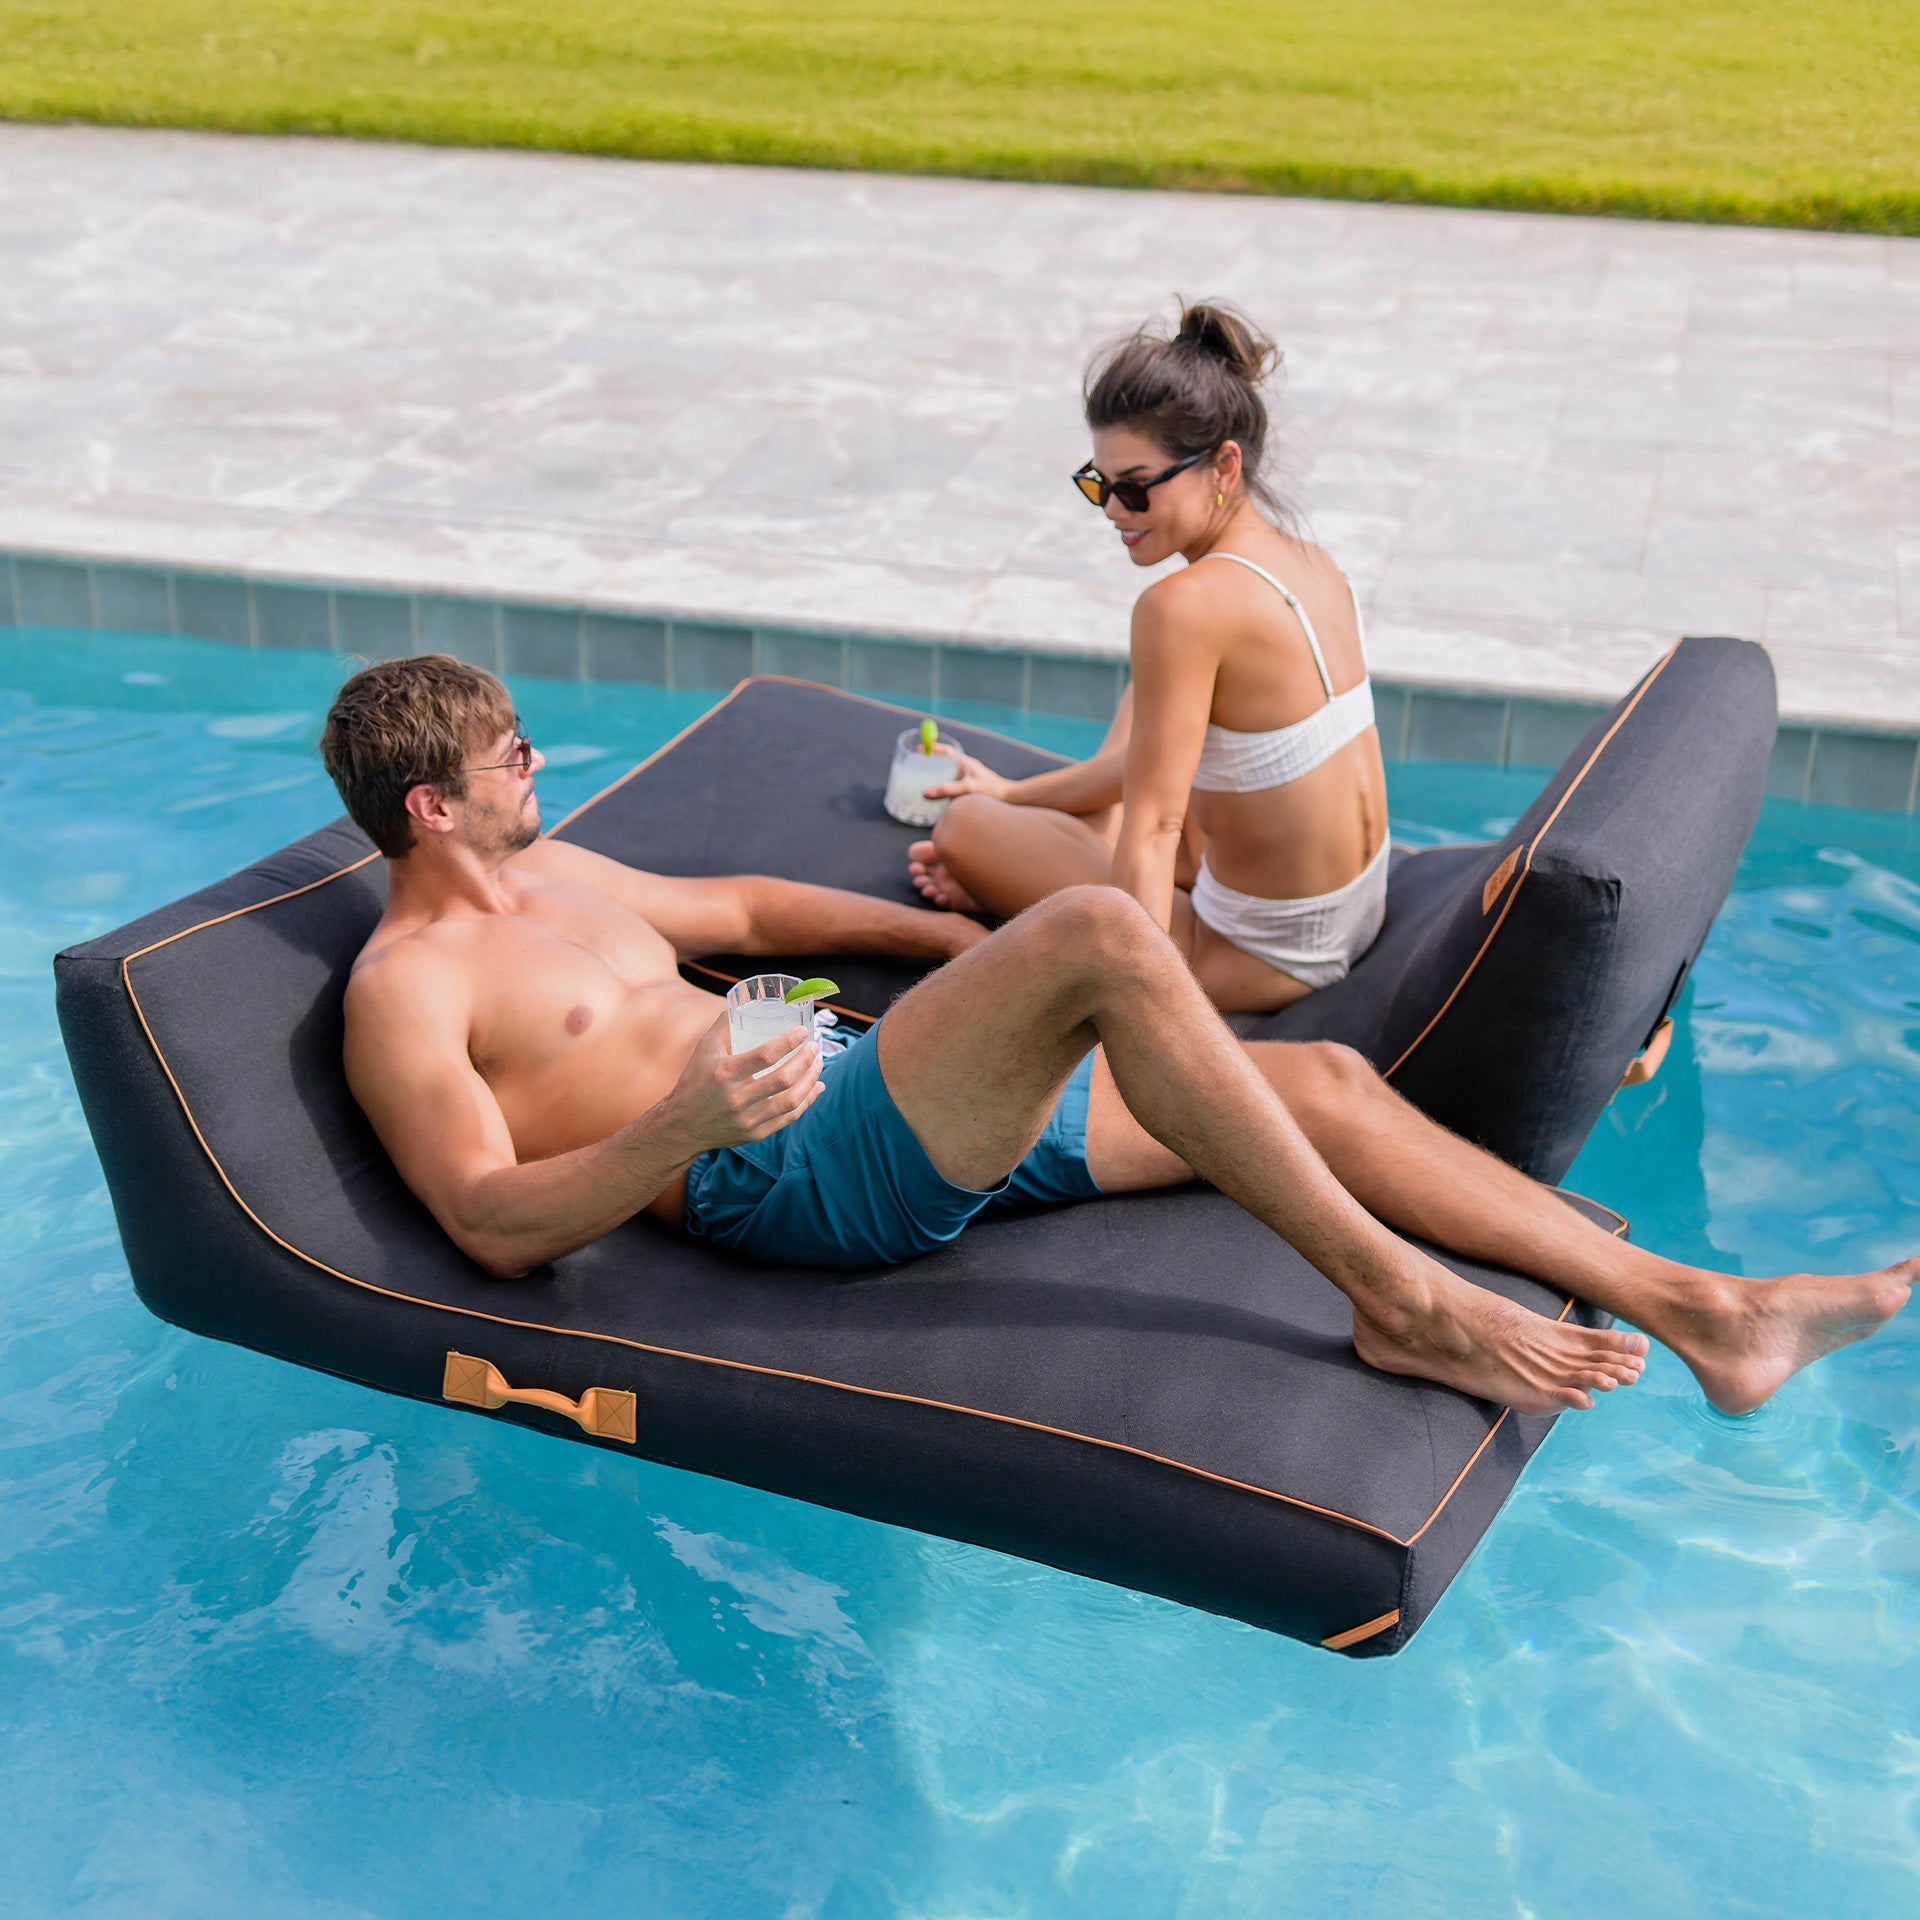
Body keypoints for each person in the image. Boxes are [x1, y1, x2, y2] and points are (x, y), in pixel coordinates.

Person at [322, 655, 1913, 1421]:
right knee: (1093, 933)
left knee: (1329, 1087)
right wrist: (683, 1130)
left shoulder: (564, 868)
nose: (539, 763)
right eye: (510, 754)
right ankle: (1404, 1302)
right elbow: (484, 1223)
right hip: (781, 1185)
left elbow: (739, 908)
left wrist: (948, 940)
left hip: (876, 1095)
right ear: (427, 806)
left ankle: (1715, 1315)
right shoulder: (409, 992)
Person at [909, 302, 1388, 1013]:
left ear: (1224, 465)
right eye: (1096, 484)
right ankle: (1051, 828)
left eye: (1133, 486)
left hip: (1263, 958)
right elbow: (1155, 771)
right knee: (1148, 705)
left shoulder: (1184, 608)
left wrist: (1138, 1006)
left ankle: (1042, 849)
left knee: (963, 829)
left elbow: (1157, 826)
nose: (1112, 511)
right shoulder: (1312, 563)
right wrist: (1012, 791)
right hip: (1353, 914)